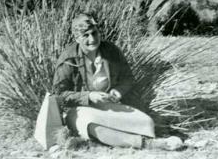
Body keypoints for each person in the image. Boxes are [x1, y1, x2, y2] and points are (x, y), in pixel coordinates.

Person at [52, 13, 156, 148]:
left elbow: (128, 78)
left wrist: (118, 91)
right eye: (86, 35)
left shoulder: (111, 51)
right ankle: (145, 144)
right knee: (93, 126)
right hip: (79, 110)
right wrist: (88, 96)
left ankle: (119, 139)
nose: (92, 39)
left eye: (94, 33)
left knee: (147, 123)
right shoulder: (68, 59)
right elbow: (59, 94)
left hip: (109, 107)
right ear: (77, 38)